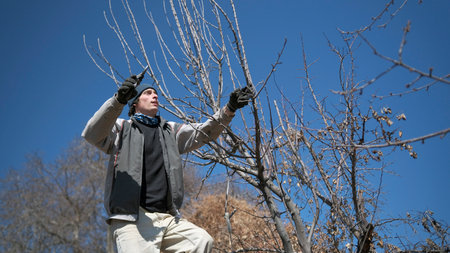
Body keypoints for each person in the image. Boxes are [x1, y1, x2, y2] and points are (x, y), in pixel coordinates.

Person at [82, 74, 252, 253]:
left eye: (155, 93)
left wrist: (229, 110)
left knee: (201, 241)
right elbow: (92, 134)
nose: (155, 96)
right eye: (147, 93)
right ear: (134, 103)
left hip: (168, 217)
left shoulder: (169, 131)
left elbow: (202, 133)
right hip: (133, 220)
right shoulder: (121, 128)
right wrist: (118, 100)